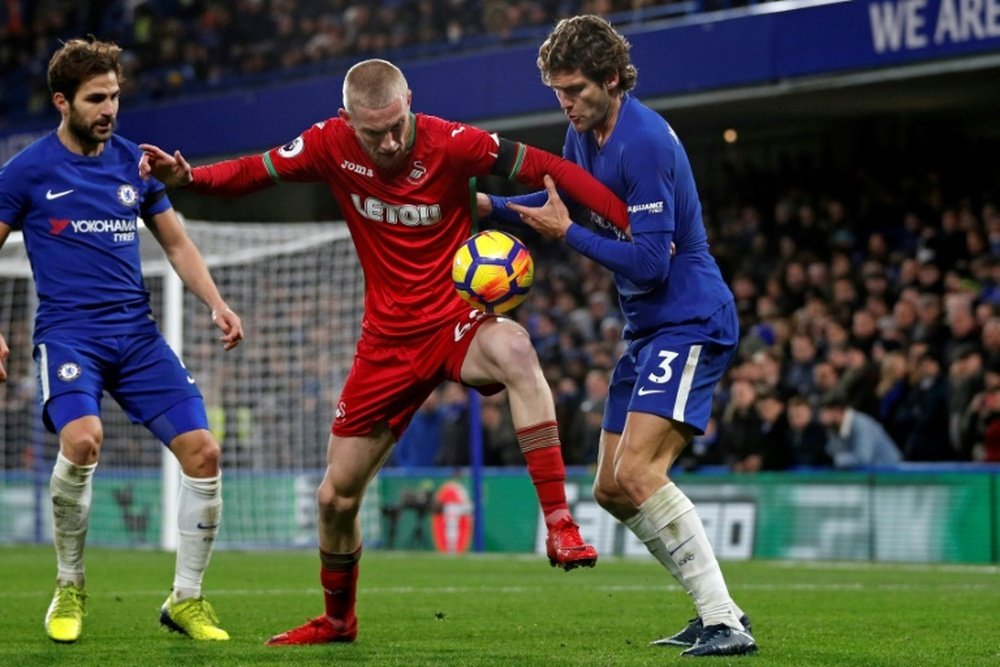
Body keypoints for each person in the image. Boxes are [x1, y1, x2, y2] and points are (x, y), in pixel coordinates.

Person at [140, 57, 634, 646]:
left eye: (398, 123)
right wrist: (189, 180)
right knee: (334, 497)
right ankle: (338, 621)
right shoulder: (327, 144)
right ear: (348, 119)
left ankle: (559, 522)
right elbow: (253, 171)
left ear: (410, 103)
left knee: (516, 346)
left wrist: (626, 217)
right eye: (374, 132)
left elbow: (549, 166)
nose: (391, 139)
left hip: (455, 320)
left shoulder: (454, 143)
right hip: (386, 344)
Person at [485, 15, 757, 657]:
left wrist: (563, 234)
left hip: (690, 319)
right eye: (557, 91)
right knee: (610, 487)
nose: (566, 103)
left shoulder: (644, 143)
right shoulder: (584, 132)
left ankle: (724, 619)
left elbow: (650, 262)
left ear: (612, 79)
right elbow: (560, 201)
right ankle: (715, 611)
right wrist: (487, 205)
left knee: (637, 470)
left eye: (576, 89)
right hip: (648, 330)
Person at [0, 38, 244, 644]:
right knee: (83, 441)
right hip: (69, 336)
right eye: (95, 98)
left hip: (136, 337)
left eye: (114, 96)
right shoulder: (26, 171)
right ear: (63, 101)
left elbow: (177, 244)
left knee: (205, 454)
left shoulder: (134, 162)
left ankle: (186, 600)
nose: (109, 108)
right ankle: (68, 585)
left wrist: (215, 303)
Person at [818, 393, 903, 467]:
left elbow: (863, 458)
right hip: (870, 478)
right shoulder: (834, 428)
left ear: (837, 411)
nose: (821, 417)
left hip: (891, 475)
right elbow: (832, 453)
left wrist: (835, 460)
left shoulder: (861, 424)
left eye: (824, 412)